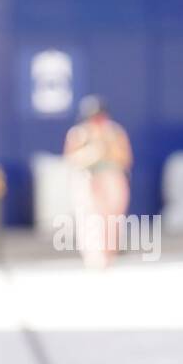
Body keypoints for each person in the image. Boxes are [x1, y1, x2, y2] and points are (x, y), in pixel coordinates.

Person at [63, 95, 133, 268]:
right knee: (91, 219)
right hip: (88, 179)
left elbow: (125, 158)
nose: (97, 122)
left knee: (112, 220)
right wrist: (92, 152)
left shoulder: (115, 132)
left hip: (112, 178)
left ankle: (109, 256)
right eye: (93, 118)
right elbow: (70, 160)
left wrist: (107, 146)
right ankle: (94, 258)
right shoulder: (78, 134)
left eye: (100, 117)